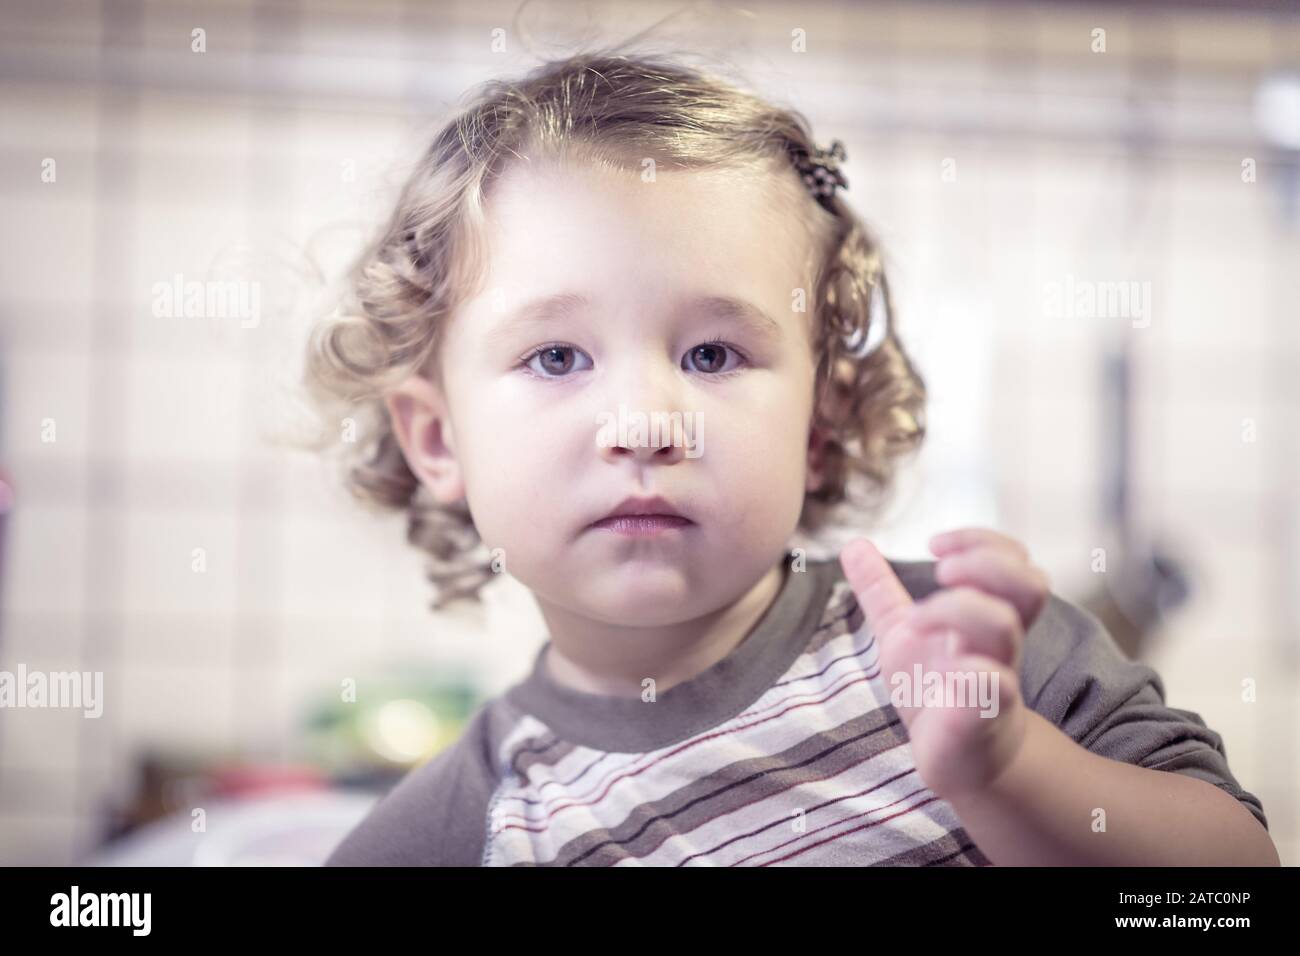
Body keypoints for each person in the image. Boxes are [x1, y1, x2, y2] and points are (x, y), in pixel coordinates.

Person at [307, 51, 1275, 866]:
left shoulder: (974, 654)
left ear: (819, 421)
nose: (647, 423)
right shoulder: (449, 834)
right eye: (557, 356)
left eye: (713, 354)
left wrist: (1006, 766)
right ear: (438, 440)